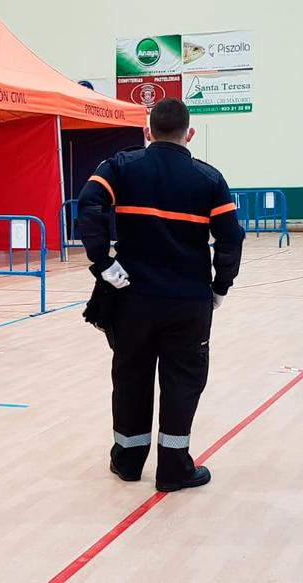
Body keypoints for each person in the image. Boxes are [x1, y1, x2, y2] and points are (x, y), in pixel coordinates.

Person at [77, 98, 245, 492]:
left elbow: (88, 206)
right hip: (188, 301)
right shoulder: (209, 179)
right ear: (190, 134)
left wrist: (103, 262)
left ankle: (128, 461)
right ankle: (173, 469)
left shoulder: (119, 166)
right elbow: (230, 237)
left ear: (147, 131)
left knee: (131, 375)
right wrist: (220, 285)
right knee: (182, 381)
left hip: (132, 297)